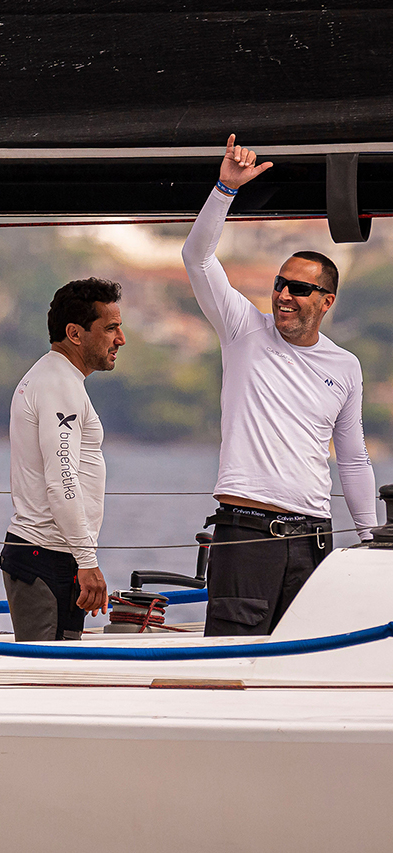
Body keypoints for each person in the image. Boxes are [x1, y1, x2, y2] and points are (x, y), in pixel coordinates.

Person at [182, 134, 377, 636]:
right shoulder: (243, 329)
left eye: (300, 288)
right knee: (229, 666)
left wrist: (371, 538)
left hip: (314, 539)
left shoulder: (346, 366)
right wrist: (225, 189)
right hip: (246, 534)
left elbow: (353, 457)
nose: (284, 295)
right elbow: (197, 259)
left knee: (302, 668)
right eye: (279, 284)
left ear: (326, 301)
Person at [1, 280, 121, 641]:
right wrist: (87, 561)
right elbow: (63, 478)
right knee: (43, 681)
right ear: (75, 333)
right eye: (111, 328)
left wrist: (80, 558)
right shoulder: (58, 384)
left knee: (61, 676)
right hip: (45, 556)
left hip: (54, 555)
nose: (121, 339)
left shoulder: (56, 377)